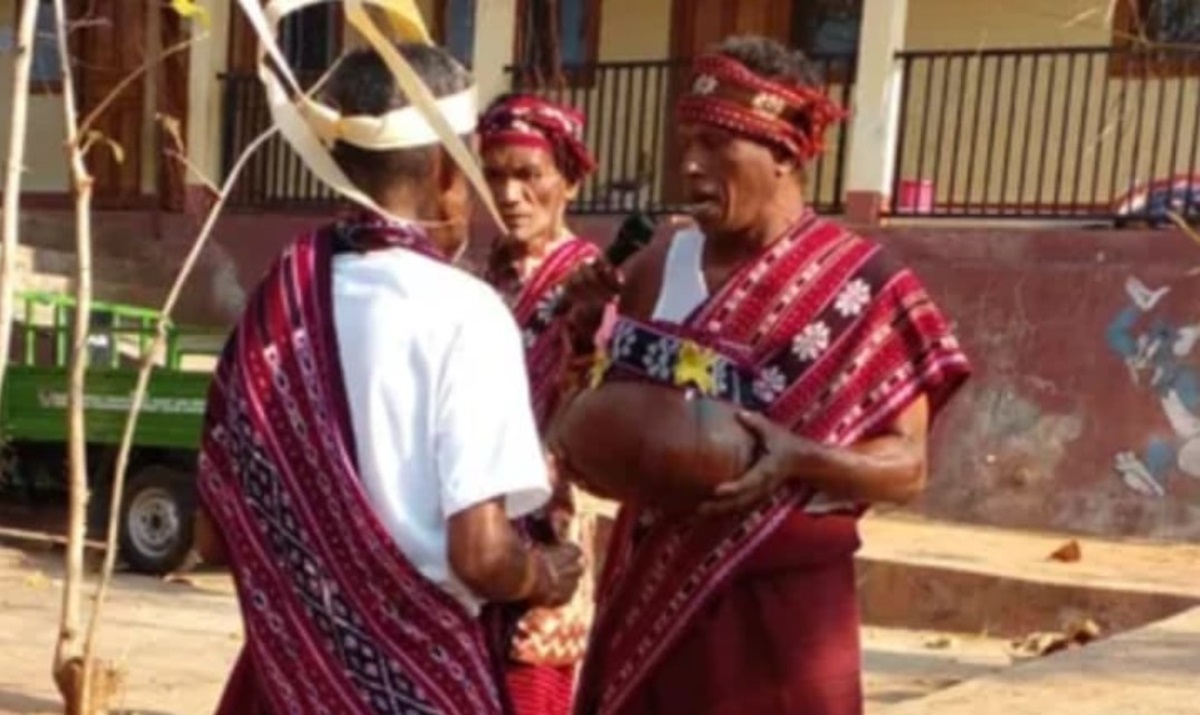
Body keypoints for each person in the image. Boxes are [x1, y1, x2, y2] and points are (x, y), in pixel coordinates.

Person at [561, 36, 972, 715]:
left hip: (785, 614)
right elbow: (605, 416)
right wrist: (582, 336)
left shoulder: (866, 287)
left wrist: (798, 457)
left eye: (717, 144)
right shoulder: (660, 262)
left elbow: (907, 467)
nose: (690, 165)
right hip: (651, 589)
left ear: (783, 152)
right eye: (685, 142)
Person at [194, 43, 584, 715]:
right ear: (443, 171)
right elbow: (481, 553)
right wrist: (543, 574)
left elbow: (211, 534)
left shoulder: (274, 307)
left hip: (287, 682)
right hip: (421, 684)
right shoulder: (465, 311)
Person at [476, 93, 602, 715]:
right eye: (495, 176)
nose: (509, 194)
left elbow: (597, 402)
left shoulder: (593, 282)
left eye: (528, 176)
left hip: (546, 521)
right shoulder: (484, 277)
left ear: (569, 181)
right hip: (472, 518)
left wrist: (585, 333)